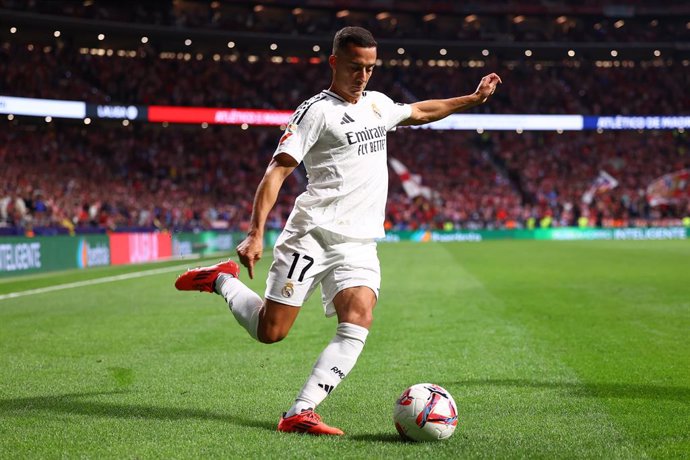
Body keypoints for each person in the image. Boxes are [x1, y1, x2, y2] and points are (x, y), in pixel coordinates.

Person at [175, 26, 501, 435]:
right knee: (271, 331)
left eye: (369, 68)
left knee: (360, 315)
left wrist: (471, 99)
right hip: (312, 234)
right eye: (354, 67)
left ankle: (301, 410)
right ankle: (222, 280)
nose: (362, 76)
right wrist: (256, 233)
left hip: (360, 242)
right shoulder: (316, 112)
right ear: (334, 62)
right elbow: (277, 171)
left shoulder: (378, 105)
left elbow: (420, 112)